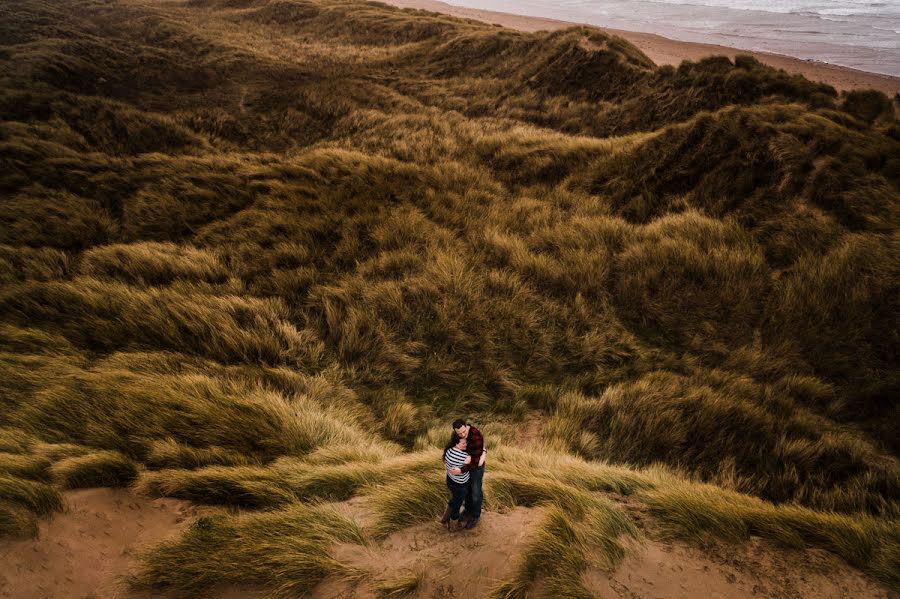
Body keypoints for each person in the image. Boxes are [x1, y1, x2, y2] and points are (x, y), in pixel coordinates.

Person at [447, 418, 485, 529]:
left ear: (466, 425)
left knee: (476, 492)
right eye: (459, 433)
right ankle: (468, 510)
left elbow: (476, 462)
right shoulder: (458, 434)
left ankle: (476, 515)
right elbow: (453, 445)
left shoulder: (475, 436)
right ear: (455, 431)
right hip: (465, 464)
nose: (463, 435)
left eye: (464, 432)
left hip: (475, 467)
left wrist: (461, 470)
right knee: (467, 490)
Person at [442, 433, 470, 532]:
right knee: (457, 504)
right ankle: (453, 525)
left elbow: (445, 462)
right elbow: (475, 461)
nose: (466, 445)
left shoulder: (448, 451)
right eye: (463, 443)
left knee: (454, 498)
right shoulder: (465, 456)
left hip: (450, 480)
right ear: (456, 443)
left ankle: (445, 518)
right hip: (460, 484)